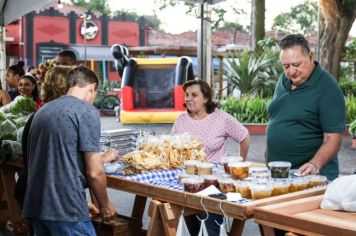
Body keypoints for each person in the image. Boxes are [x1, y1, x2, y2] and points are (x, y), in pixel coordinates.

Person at [23, 66, 117, 235]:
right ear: (92, 88)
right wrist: (105, 205)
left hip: (36, 206)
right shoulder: (86, 111)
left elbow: (57, 162)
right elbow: (95, 171)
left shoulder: (42, 111)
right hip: (65, 209)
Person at [171, 79, 249, 236]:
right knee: (192, 229)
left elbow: (244, 136)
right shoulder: (181, 120)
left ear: (206, 98)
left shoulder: (221, 118)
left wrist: (238, 167)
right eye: (187, 95)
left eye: (194, 95)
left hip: (213, 186)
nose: (188, 98)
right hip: (189, 184)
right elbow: (171, 147)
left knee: (211, 230)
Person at [266, 34, 346, 181]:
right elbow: (277, 119)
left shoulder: (328, 88)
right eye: (286, 66)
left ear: (310, 56)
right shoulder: (283, 80)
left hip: (310, 176)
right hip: (278, 174)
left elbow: (333, 138)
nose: (291, 71)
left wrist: (315, 164)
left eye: (296, 64)